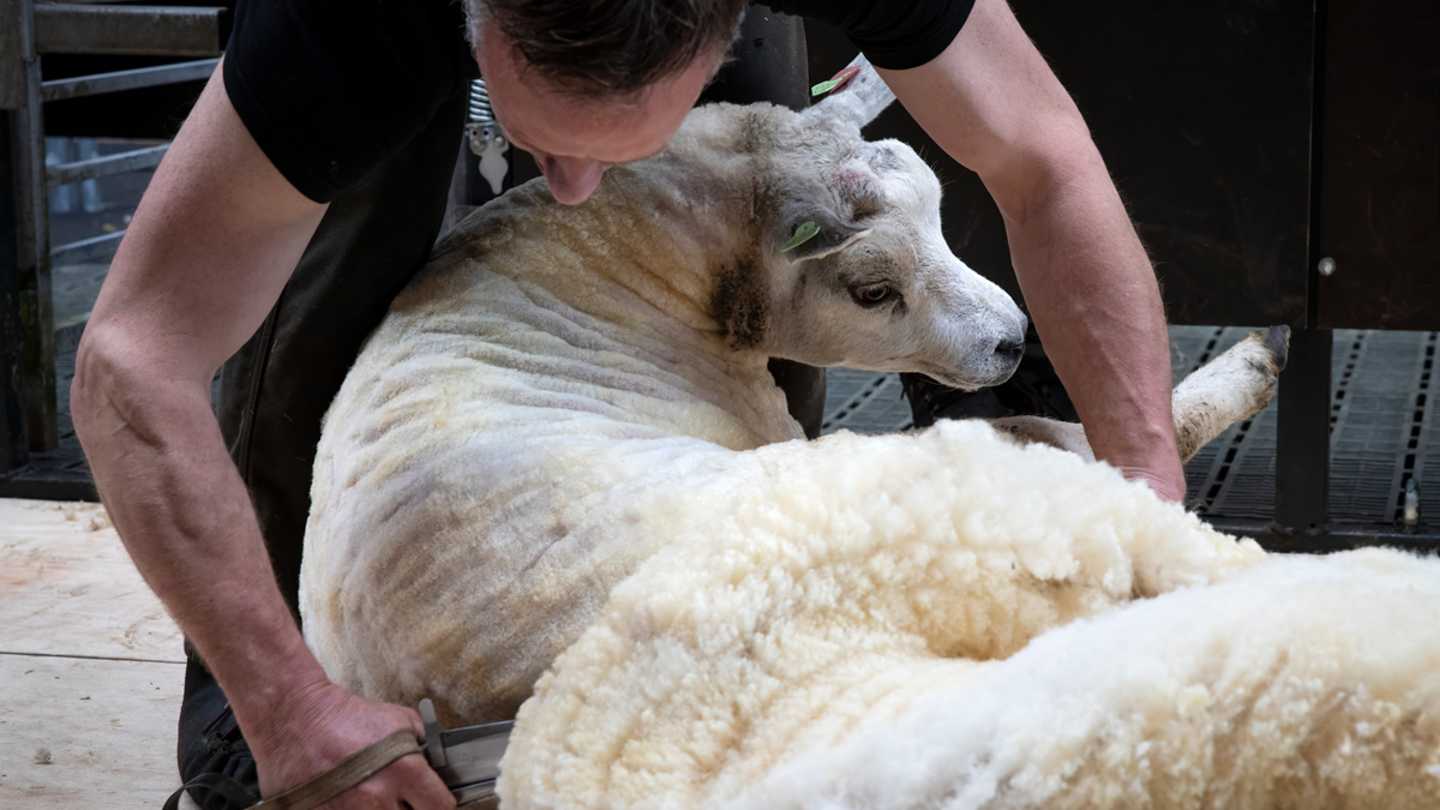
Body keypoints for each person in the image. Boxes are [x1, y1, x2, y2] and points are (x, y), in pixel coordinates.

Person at [70, 1, 1183, 807]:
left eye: (608, 151)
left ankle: (760, 656)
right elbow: (131, 358)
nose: (570, 193)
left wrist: (1150, 517)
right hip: (395, 33)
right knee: (322, 297)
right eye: (542, 142)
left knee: (753, 221)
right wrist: (287, 711)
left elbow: (1045, 160)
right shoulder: (344, 23)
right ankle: (251, 733)